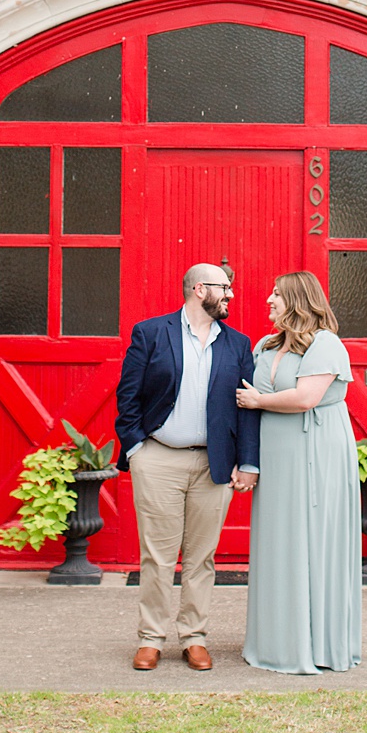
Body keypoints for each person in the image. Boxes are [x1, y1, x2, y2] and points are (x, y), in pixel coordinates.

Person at [113, 261, 260, 672]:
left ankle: (194, 637)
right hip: (158, 458)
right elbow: (128, 399)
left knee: (202, 557)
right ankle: (151, 639)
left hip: (214, 464)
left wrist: (247, 461)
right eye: (224, 288)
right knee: (157, 556)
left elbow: (246, 409)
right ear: (199, 289)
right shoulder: (151, 333)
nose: (230, 295)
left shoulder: (238, 344)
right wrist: (137, 449)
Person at [234, 270, 363, 675]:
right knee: (278, 540)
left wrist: (256, 402)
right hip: (276, 453)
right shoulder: (266, 345)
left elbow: (307, 397)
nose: (268, 300)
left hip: (315, 451)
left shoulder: (326, 344)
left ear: (297, 300)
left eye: (276, 294)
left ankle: (318, 644)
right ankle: (276, 640)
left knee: (314, 539)